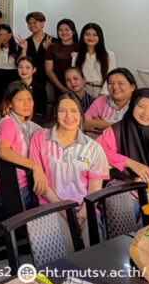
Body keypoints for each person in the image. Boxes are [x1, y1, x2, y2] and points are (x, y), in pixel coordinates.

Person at [29, 91, 110, 223]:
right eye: (62, 111)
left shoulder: (93, 148)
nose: (68, 116)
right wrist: (65, 213)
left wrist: (81, 216)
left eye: (74, 111)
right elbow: (41, 184)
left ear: (81, 114)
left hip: (85, 210)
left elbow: (94, 191)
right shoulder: (39, 139)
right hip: (50, 207)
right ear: (56, 113)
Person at [0, 82, 45, 209]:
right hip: (13, 189)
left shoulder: (24, 125)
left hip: (15, 185)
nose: (27, 104)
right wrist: (35, 166)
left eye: (29, 99)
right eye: (20, 100)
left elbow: (45, 133)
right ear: (10, 103)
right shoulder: (8, 122)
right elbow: (4, 151)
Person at [84, 67, 137, 133]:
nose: (114, 86)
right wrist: (108, 125)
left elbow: (133, 131)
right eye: (110, 83)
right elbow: (84, 123)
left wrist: (101, 125)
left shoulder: (138, 104)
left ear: (132, 87)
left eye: (120, 83)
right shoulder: (101, 101)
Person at [44, 18, 80, 99]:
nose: (64, 32)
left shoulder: (80, 47)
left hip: (78, 88)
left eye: (67, 30)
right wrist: (62, 89)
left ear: (73, 31)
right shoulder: (52, 47)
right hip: (57, 87)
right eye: (60, 30)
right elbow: (48, 70)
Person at [78, 22, 115, 97]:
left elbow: (111, 76)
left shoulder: (109, 55)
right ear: (82, 36)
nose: (91, 38)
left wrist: (102, 94)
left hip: (101, 91)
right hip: (82, 91)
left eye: (95, 35)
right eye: (87, 34)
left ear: (100, 37)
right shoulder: (76, 55)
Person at [22, 11, 52, 93]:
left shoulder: (52, 41)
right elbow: (20, 62)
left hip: (48, 81)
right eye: (29, 23)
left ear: (42, 24)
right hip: (29, 80)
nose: (32, 25)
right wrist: (24, 48)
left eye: (35, 23)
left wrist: (48, 49)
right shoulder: (25, 42)